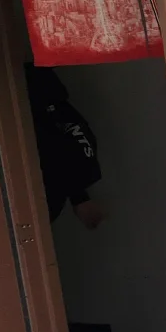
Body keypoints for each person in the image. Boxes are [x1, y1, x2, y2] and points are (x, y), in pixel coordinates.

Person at [24, 64, 105, 228]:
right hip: (37, 92)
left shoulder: (86, 167)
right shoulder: (86, 167)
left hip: (36, 92)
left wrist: (79, 196)